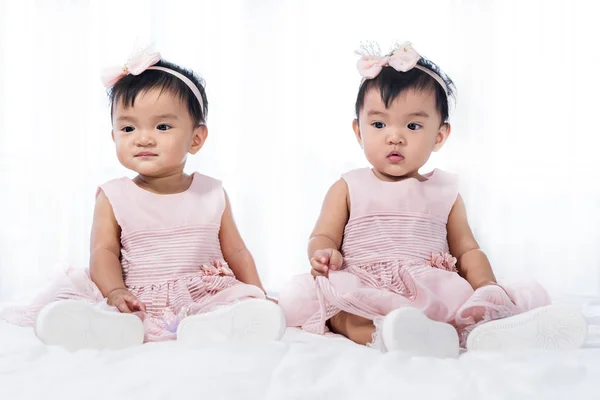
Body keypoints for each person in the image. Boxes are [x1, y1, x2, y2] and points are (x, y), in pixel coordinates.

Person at [277, 41, 587, 357]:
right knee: (308, 298)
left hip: (429, 288)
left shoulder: (445, 192)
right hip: (363, 283)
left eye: (413, 125)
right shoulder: (348, 186)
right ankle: (388, 334)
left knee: (464, 302)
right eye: (379, 124)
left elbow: (467, 249)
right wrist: (325, 252)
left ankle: (491, 330)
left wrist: (486, 288)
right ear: (359, 132)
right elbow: (323, 234)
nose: (394, 136)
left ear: (438, 136)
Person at [0, 48, 285, 351]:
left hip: (201, 294)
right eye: (128, 128)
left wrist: (256, 292)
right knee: (110, 309)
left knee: (234, 305)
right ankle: (107, 327)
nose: (143, 138)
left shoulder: (212, 192)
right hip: (135, 294)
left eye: (162, 126)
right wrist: (114, 291)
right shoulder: (114, 195)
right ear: (114, 137)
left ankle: (215, 326)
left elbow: (237, 252)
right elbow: (104, 252)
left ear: (196, 138)